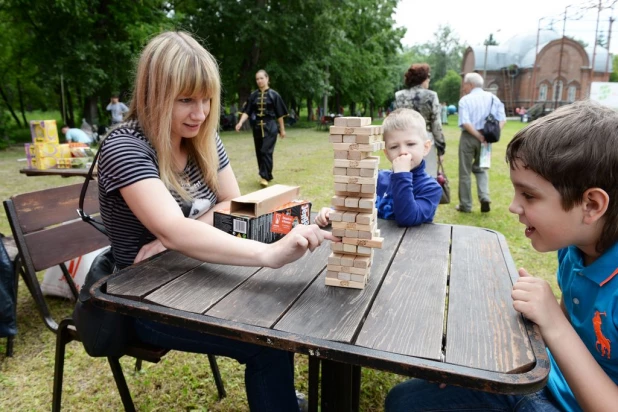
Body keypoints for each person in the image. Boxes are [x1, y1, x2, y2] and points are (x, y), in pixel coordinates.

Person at [95, 31, 337, 411]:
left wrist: (177, 235)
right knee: (267, 341)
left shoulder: (202, 139)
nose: (201, 112)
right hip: (143, 302)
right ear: (152, 94)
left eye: (207, 98)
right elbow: (178, 228)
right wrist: (267, 254)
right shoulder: (126, 146)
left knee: (278, 318)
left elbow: (233, 205)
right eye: (186, 99)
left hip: (195, 270)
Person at [385, 100, 618, 411]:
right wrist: (488, 361)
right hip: (542, 382)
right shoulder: (575, 249)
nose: (513, 206)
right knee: (405, 401)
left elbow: (563, 331)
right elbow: (573, 331)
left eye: (529, 195)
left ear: (591, 205)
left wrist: (553, 323)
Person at [315, 108, 442, 228]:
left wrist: (402, 175)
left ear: (426, 147)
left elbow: (407, 218)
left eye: (410, 144)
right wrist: (333, 212)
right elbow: (354, 204)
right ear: (386, 153)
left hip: (408, 246)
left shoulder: (430, 188)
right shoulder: (377, 179)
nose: (403, 151)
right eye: (394, 147)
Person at [456, 72, 506, 213]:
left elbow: (465, 122)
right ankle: (484, 197)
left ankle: (465, 205)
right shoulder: (493, 99)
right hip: (486, 139)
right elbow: (503, 120)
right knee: (481, 169)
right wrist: (488, 136)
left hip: (469, 137)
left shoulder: (465, 100)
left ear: (470, 84)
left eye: (464, 84)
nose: (463, 87)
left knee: (465, 172)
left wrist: (478, 136)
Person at [235, 70, 288, 187]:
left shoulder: (275, 95)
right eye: (257, 79)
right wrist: (240, 122)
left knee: (266, 151)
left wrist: (282, 129)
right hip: (257, 127)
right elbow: (247, 111)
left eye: (261, 78)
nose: (259, 81)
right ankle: (264, 175)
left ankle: (265, 176)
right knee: (259, 152)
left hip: (271, 127)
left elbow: (280, 114)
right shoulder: (253, 95)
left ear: (267, 79)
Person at [394, 63, 445, 178]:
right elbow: (436, 124)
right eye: (428, 77)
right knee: (427, 177)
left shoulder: (399, 96)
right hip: (425, 138)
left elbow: (396, 122)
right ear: (423, 79)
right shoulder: (431, 96)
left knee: (405, 174)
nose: (429, 80)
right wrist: (441, 148)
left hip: (404, 139)